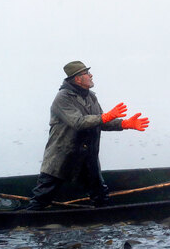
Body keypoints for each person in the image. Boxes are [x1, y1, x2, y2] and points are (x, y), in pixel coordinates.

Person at [24, 61, 150, 210]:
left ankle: (105, 218)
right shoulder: (62, 98)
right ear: (78, 79)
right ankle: (26, 222)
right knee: (43, 195)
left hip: (87, 156)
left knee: (100, 194)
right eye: (86, 73)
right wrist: (105, 117)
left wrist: (124, 124)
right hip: (63, 155)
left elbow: (101, 121)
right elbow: (78, 122)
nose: (91, 75)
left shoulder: (91, 96)